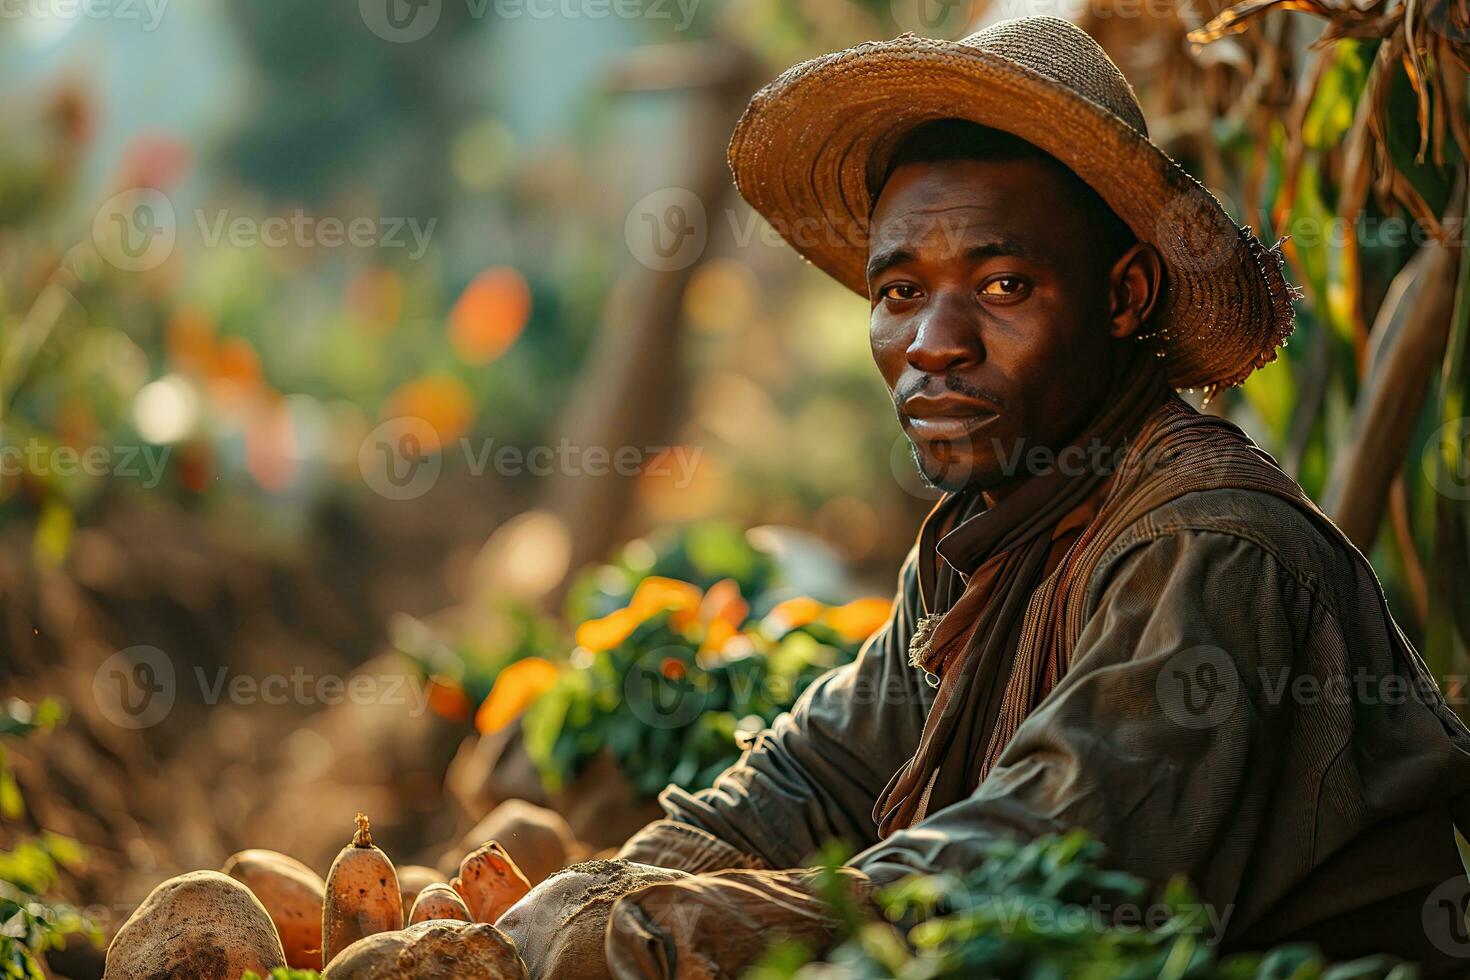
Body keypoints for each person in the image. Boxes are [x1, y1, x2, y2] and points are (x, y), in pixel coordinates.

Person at [500, 16, 1470, 977]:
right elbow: (811, 777)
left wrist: (652, 938)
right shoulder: (989, 532)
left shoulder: (1212, 548)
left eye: (1003, 284)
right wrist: (583, 903)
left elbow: (1024, 874)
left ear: (1125, 294)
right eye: (900, 293)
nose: (934, 343)